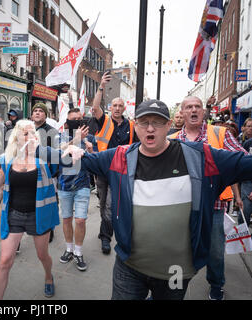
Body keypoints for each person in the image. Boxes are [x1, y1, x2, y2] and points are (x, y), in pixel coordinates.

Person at [64, 99, 252, 300]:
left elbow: (244, 164)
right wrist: (70, 151)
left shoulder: (201, 157)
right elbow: (69, 161)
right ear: (135, 125)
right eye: (144, 122)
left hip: (176, 270)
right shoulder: (119, 157)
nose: (150, 128)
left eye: (158, 122)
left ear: (169, 125)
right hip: (129, 267)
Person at [168, 96, 247, 300]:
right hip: (181, 207)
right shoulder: (174, 139)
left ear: (203, 112)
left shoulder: (220, 134)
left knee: (215, 251)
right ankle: (172, 286)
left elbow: (241, 161)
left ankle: (216, 285)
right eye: (188, 107)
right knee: (177, 251)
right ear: (182, 113)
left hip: (214, 206)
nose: (193, 110)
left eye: (197, 107)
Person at [0, 120, 59, 299]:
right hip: (14, 215)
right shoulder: (8, 159)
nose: (30, 137)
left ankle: (49, 277)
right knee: (4, 261)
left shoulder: (45, 159)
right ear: (16, 137)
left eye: (33, 133)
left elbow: (63, 157)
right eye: (26, 133)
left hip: (38, 215)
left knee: (42, 255)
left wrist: (74, 151)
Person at [89, 72, 136, 255]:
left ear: (124, 109)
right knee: (104, 204)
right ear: (110, 107)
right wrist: (101, 86)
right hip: (103, 170)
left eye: (120, 106)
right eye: (114, 105)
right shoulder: (105, 121)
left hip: (121, 171)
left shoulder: (131, 126)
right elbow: (94, 107)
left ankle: (105, 237)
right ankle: (106, 226)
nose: (117, 108)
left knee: (110, 204)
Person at [57, 108, 96, 271]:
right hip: (64, 185)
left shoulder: (91, 138)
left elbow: (97, 161)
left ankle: (78, 252)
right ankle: (69, 249)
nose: (78, 121)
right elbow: (57, 155)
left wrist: (91, 152)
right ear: (67, 122)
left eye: (80, 118)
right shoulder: (60, 137)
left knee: (80, 220)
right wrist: (76, 139)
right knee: (66, 219)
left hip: (83, 184)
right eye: (74, 119)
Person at [31, 102, 59, 243]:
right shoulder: (26, 129)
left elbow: (56, 153)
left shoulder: (51, 131)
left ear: (45, 115)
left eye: (41, 111)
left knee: (48, 201)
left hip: (46, 172)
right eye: (35, 110)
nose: (37, 113)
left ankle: (49, 229)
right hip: (28, 171)